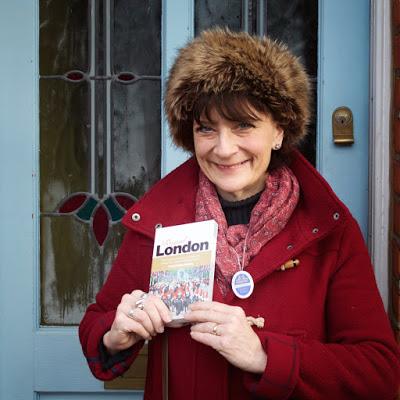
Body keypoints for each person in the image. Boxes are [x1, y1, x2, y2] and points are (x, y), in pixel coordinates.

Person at [79, 29, 400, 399]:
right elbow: (96, 336)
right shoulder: (159, 224)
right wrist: (114, 332)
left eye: (243, 125)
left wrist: (266, 356)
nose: (224, 148)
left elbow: (379, 373)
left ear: (279, 130)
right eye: (206, 128)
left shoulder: (328, 230)